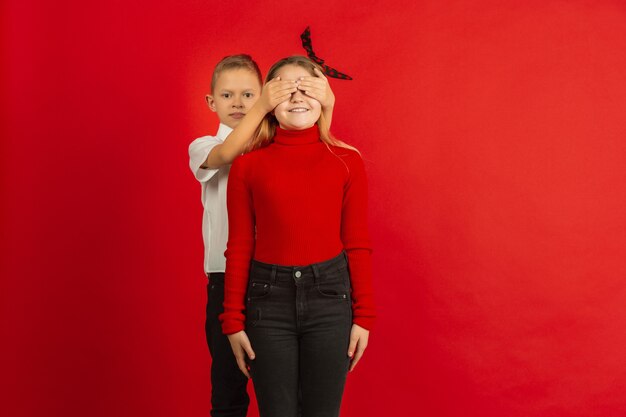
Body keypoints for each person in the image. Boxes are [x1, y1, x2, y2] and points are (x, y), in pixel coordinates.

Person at [221, 55, 375, 417]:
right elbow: (240, 244)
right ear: (268, 104)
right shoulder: (248, 165)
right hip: (267, 302)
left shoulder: (346, 161)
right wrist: (232, 320)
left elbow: (357, 242)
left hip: (329, 299)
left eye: (306, 88)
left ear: (323, 97)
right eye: (285, 91)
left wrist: (364, 316)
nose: (297, 97)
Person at [188, 54, 336, 417]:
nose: (238, 103)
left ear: (265, 95)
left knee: (290, 387)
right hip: (226, 278)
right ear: (211, 102)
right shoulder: (202, 146)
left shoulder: (274, 145)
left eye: (249, 95)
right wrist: (264, 106)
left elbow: (322, 150)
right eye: (227, 96)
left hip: (275, 278)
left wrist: (326, 103)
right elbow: (228, 152)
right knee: (229, 383)